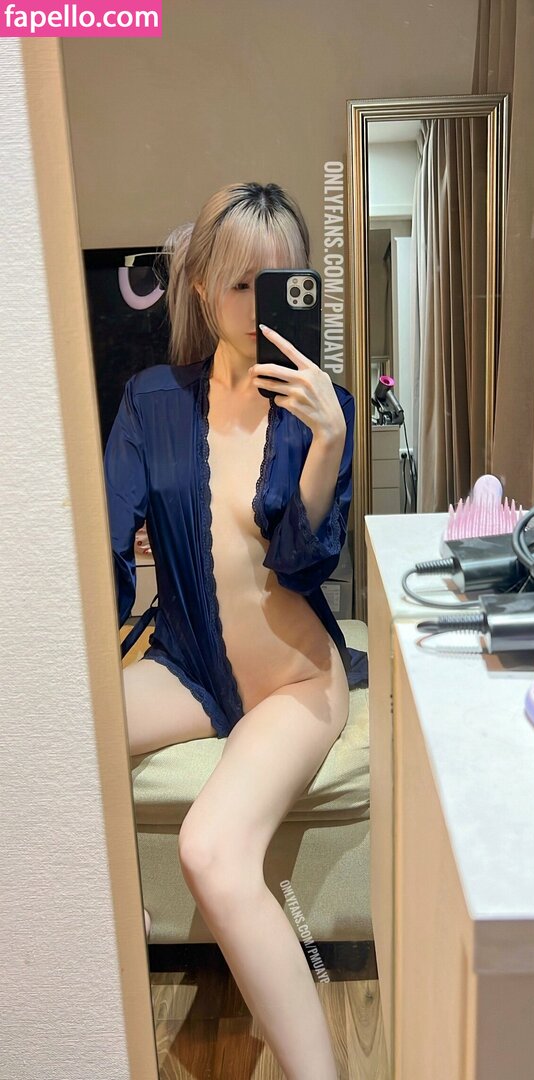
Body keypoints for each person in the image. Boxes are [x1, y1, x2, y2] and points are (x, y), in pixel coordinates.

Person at [103, 181, 368, 1080]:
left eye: (280, 283)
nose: (258, 306)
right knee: (42, 739)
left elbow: (304, 565)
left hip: (294, 680)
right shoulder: (149, 402)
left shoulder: (319, 406)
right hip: (187, 668)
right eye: (239, 284)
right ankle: (109, 929)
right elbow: (106, 551)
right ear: (201, 285)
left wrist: (326, 446)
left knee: (212, 852)